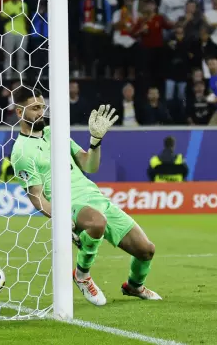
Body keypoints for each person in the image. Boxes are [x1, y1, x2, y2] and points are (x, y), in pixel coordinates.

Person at [10, 88, 161, 306]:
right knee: (96, 222)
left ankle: (134, 287)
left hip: (95, 198)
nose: (41, 112)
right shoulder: (21, 152)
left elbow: (90, 165)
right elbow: (37, 197)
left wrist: (95, 141)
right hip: (70, 203)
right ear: (18, 112)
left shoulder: (56, 133)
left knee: (146, 251)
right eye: (35, 108)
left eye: (43, 107)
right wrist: (61, 220)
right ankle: (82, 276)